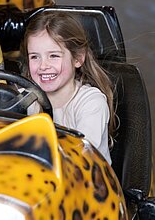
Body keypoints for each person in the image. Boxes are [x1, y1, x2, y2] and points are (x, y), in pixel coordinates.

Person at [21, 11, 116, 163]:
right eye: (34, 57)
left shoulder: (91, 103)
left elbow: (82, 159)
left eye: (54, 56)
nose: (43, 66)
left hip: (85, 180)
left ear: (78, 58)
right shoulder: (22, 99)